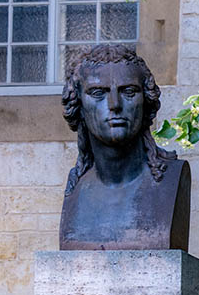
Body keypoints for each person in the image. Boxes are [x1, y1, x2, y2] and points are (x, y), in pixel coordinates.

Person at [58, 44, 190, 250]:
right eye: (98, 93)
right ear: (79, 106)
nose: (114, 104)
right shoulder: (76, 188)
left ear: (146, 101)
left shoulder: (173, 178)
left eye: (128, 91)